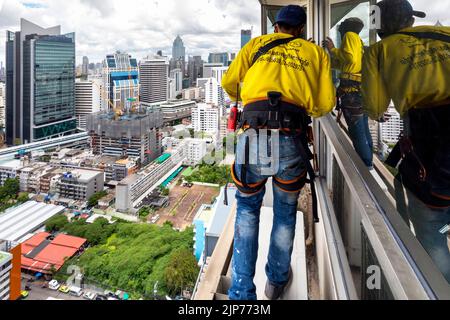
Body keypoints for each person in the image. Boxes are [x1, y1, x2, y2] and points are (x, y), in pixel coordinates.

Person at [222, 5, 335, 300]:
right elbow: (324, 104)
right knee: (285, 212)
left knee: (247, 211)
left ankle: (241, 294)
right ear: (301, 30)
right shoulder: (314, 53)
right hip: (291, 138)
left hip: (253, 135)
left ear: (276, 27)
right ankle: (276, 283)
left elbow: (228, 83)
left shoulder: (256, 45)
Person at [362, 0, 450, 283]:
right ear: (410, 21)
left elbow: (374, 107)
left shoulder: (380, 50)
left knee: (431, 227)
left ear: (380, 28)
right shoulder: (446, 33)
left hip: (435, 143)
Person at [323, 18, 374, 169]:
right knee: (363, 128)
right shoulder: (358, 41)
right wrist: (328, 59)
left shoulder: (350, 36)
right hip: (359, 90)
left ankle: (366, 166)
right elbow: (346, 62)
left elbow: (348, 57)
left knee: (357, 131)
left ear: (347, 28)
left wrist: (332, 49)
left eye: (342, 26)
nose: (340, 29)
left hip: (351, 92)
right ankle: (369, 162)